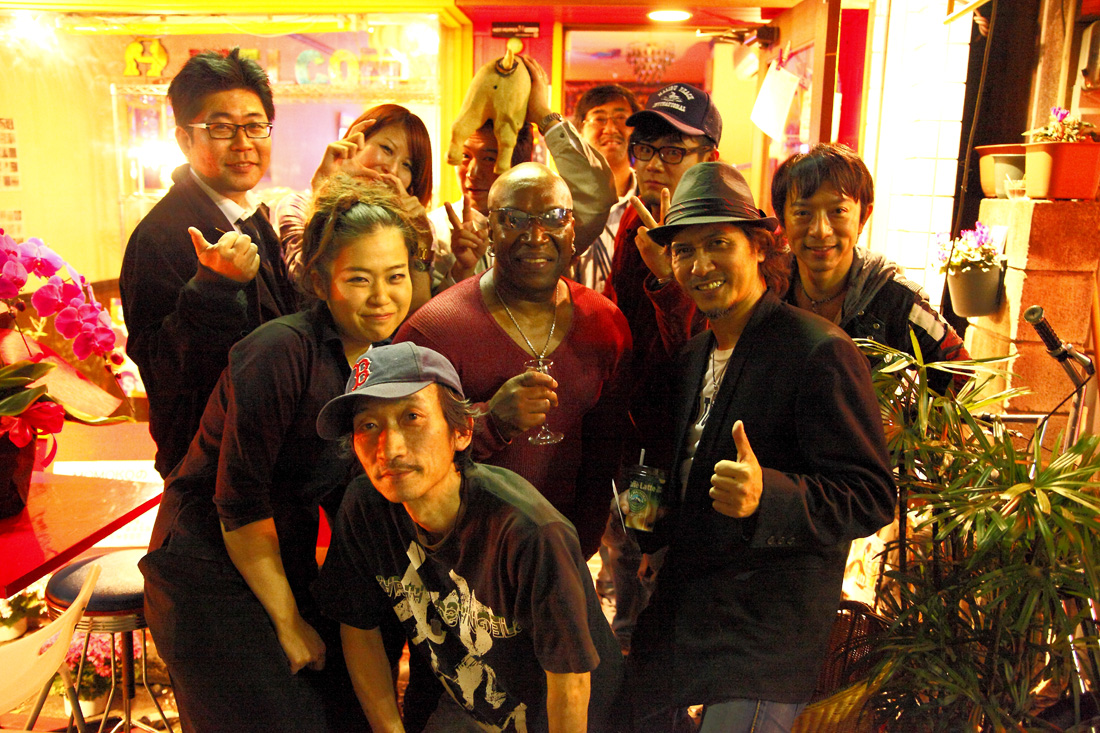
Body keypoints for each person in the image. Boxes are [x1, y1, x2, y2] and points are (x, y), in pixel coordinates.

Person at [625, 162, 896, 731]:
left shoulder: (818, 350)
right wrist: (649, 521)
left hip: (762, 638)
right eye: (684, 251)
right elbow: (673, 475)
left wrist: (766, 494)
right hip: (682, 618)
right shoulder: (692, 358)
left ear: (759, 247)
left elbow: (871, 495)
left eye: (718, 244)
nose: (700, 265)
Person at [140, 175, 417, 732]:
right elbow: (238, 503)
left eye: (396, 276)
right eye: (359, 279)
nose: (382, 297)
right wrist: (289, 623)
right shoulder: (279, 353)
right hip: (206, 570)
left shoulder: (383, 359)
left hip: (282, 559)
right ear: (319, 280)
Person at [313, 342, 624, 732]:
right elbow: (359, 627)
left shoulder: (529, 532)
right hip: (478, 707)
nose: (389, 449)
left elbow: (572, 682)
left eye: (412, 417)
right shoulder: (366, 506)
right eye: (368, 426)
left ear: (461, 432)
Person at [394, 163, 631, 558]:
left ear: (573, 230)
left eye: (554, 217)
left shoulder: (605, 323)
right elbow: (398, 455)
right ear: (490, 229)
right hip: (462, 565)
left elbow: (605, 455)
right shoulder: (434, 331)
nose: (536, 236)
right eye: (514, 219)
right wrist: (490, 422)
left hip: (562, 560)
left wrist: (578, 551)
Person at [120, 48, 298, 479]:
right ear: (185, 140)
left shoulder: (252, 216)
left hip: (268, 456)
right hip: (210, 469)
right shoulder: (162, 234)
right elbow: (160, 367)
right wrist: (212, 287)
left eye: (255, 126)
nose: (243, 143)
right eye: (221, 128)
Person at [771, 143, 969, 393]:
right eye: (802, 213)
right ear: (783, 220)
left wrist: (908, 416)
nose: (820, 230)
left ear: (863, 217)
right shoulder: (768, 286)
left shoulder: (896, 299)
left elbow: (961, 372)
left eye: (838, 211)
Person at [427, 56, 617, 295]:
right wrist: (460, 270)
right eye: (465, 156)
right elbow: (423, 310)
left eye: (489, 158)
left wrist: (543, 116)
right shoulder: (435, 229)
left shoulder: (548, 227)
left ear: (518, 163)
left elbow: (596, 193)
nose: (472, 172)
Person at [272, 103, 434, 310]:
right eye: (386, 149)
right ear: (355, 142)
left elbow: (417, 312)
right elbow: (304, 285)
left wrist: (422, 242)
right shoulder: (300, 207)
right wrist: (323, 191)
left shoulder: (415, 225)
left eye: (407, 165)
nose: (392, 169)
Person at [569, 84, 640, 293]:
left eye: (621, 118)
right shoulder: (562, 200)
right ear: (579, 132)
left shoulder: (651, 200)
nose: (610, 129)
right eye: (599, 119)